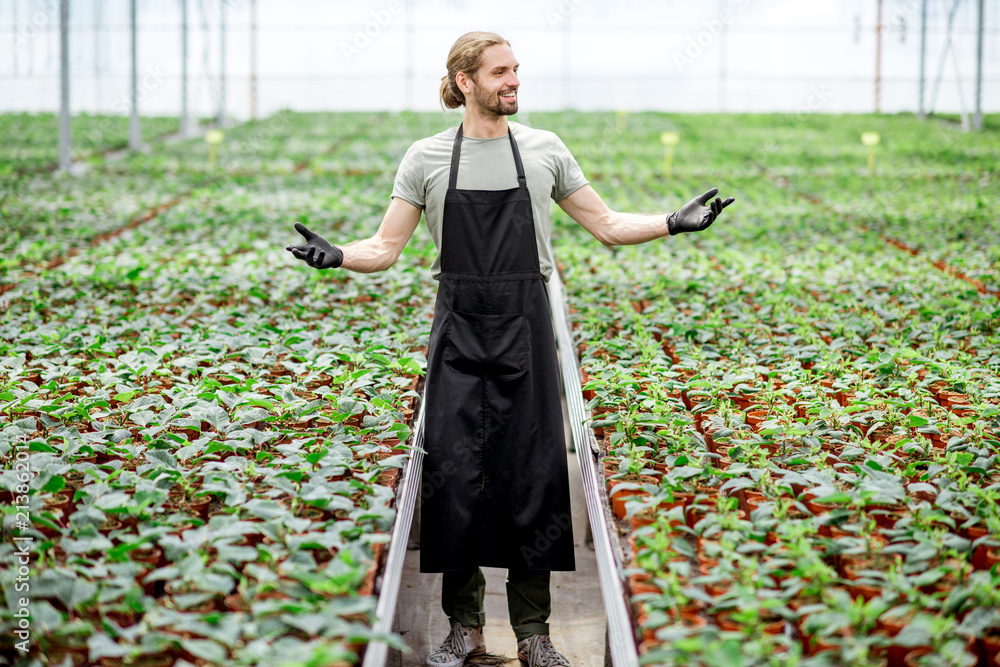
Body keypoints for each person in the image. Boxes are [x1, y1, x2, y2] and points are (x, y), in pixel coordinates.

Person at [286, 31, 735, 667]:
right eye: (500, 72)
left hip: (526, 333)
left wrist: (670, 222)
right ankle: (463, 629)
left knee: (535, 477)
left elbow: (605, 225)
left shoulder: (545, 151)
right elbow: (384, 249)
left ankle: (534, 634)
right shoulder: (427, 158)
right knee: (455, 480)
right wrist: (337, 256)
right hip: (458, 335)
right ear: (465, 81)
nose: (513, 81)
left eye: (516, 70)